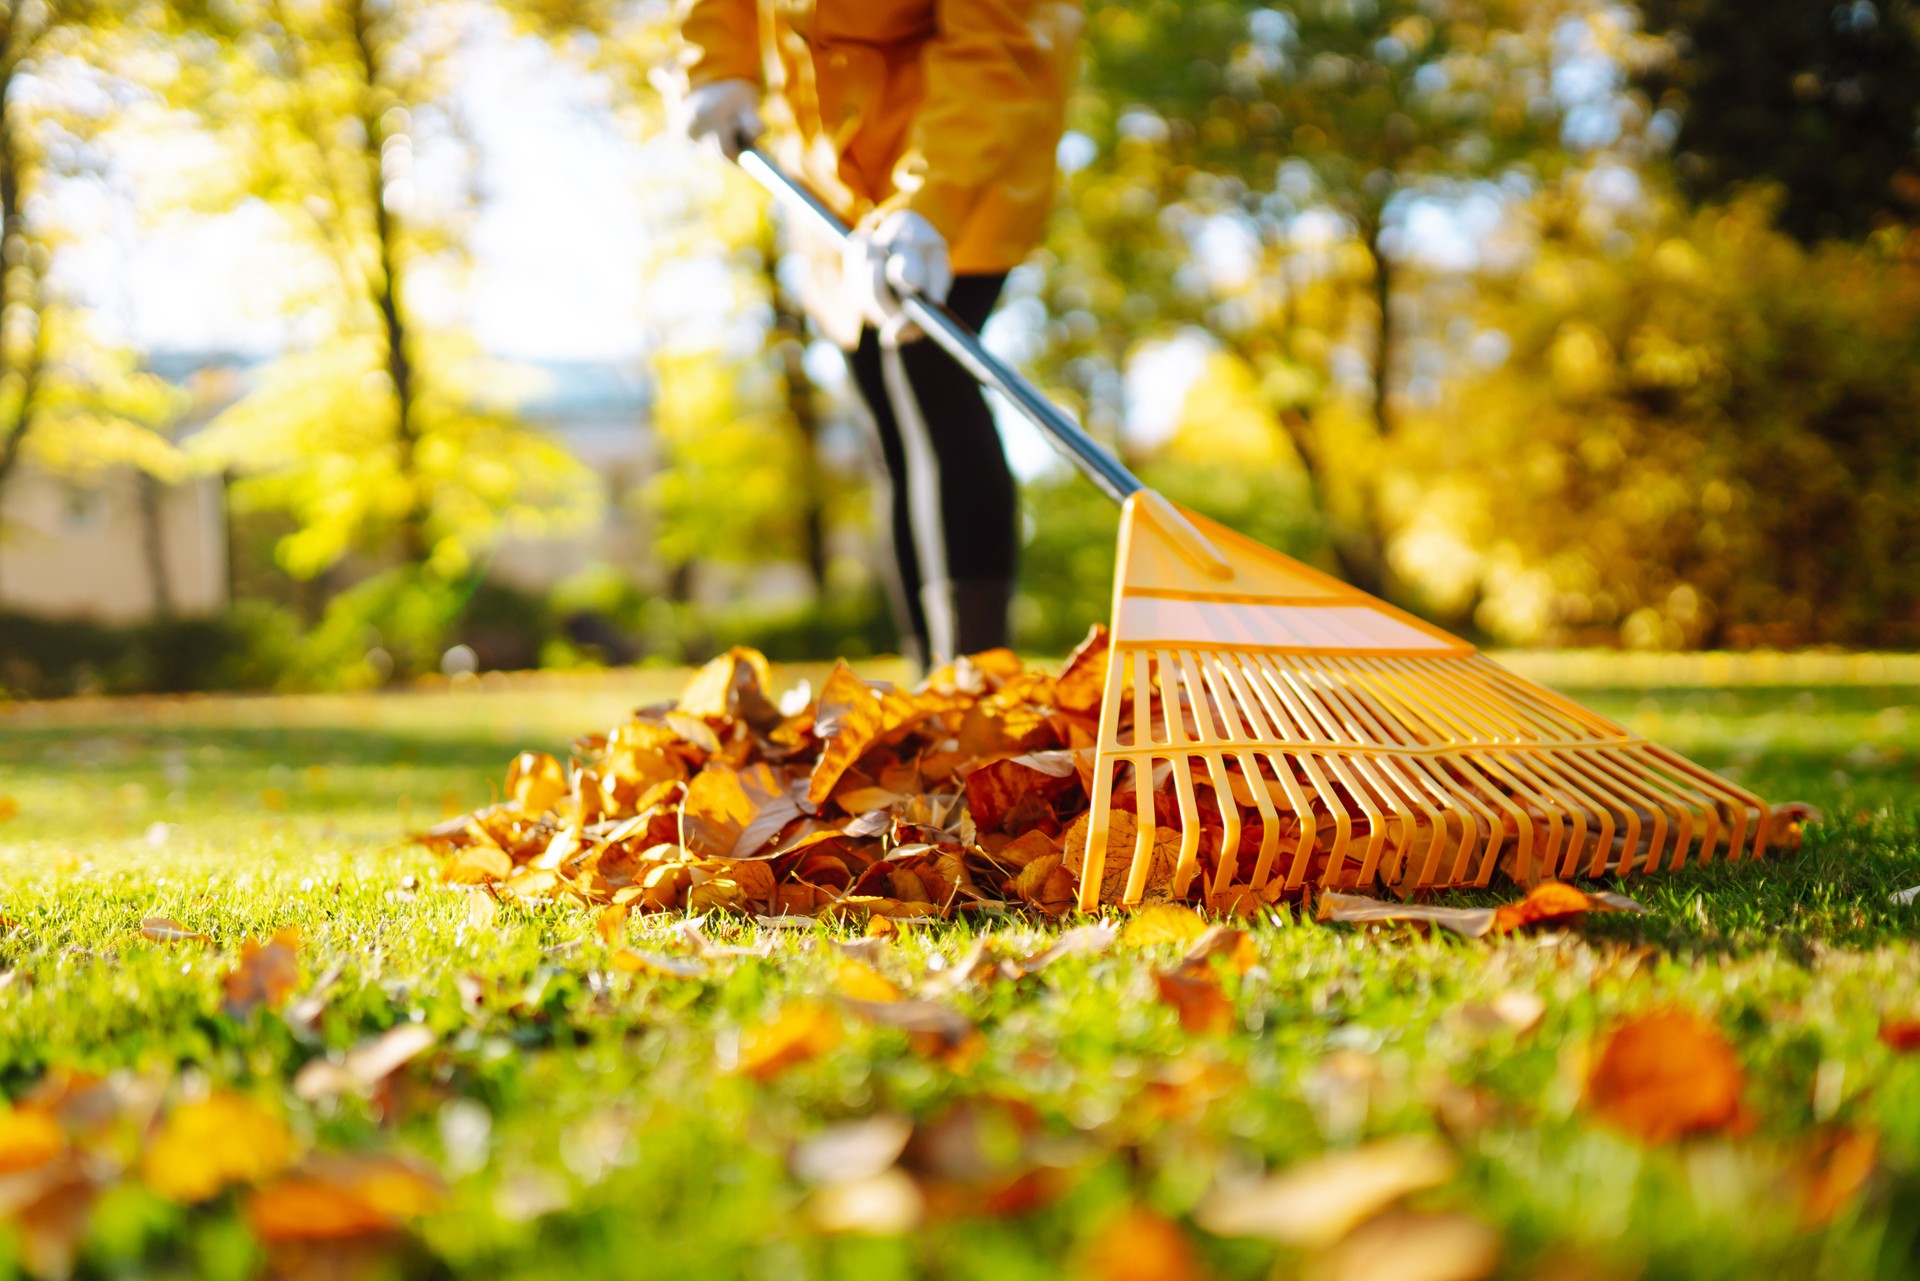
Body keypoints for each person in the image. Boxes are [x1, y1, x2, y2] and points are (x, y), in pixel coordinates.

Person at [674, 0, 1082, 669]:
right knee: (881, 409)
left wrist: (928, 204)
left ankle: (974, 681)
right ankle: (932, 683)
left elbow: (997, 50)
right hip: (831, 164)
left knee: (928, 376)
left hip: (965, 140)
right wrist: (717, 64)